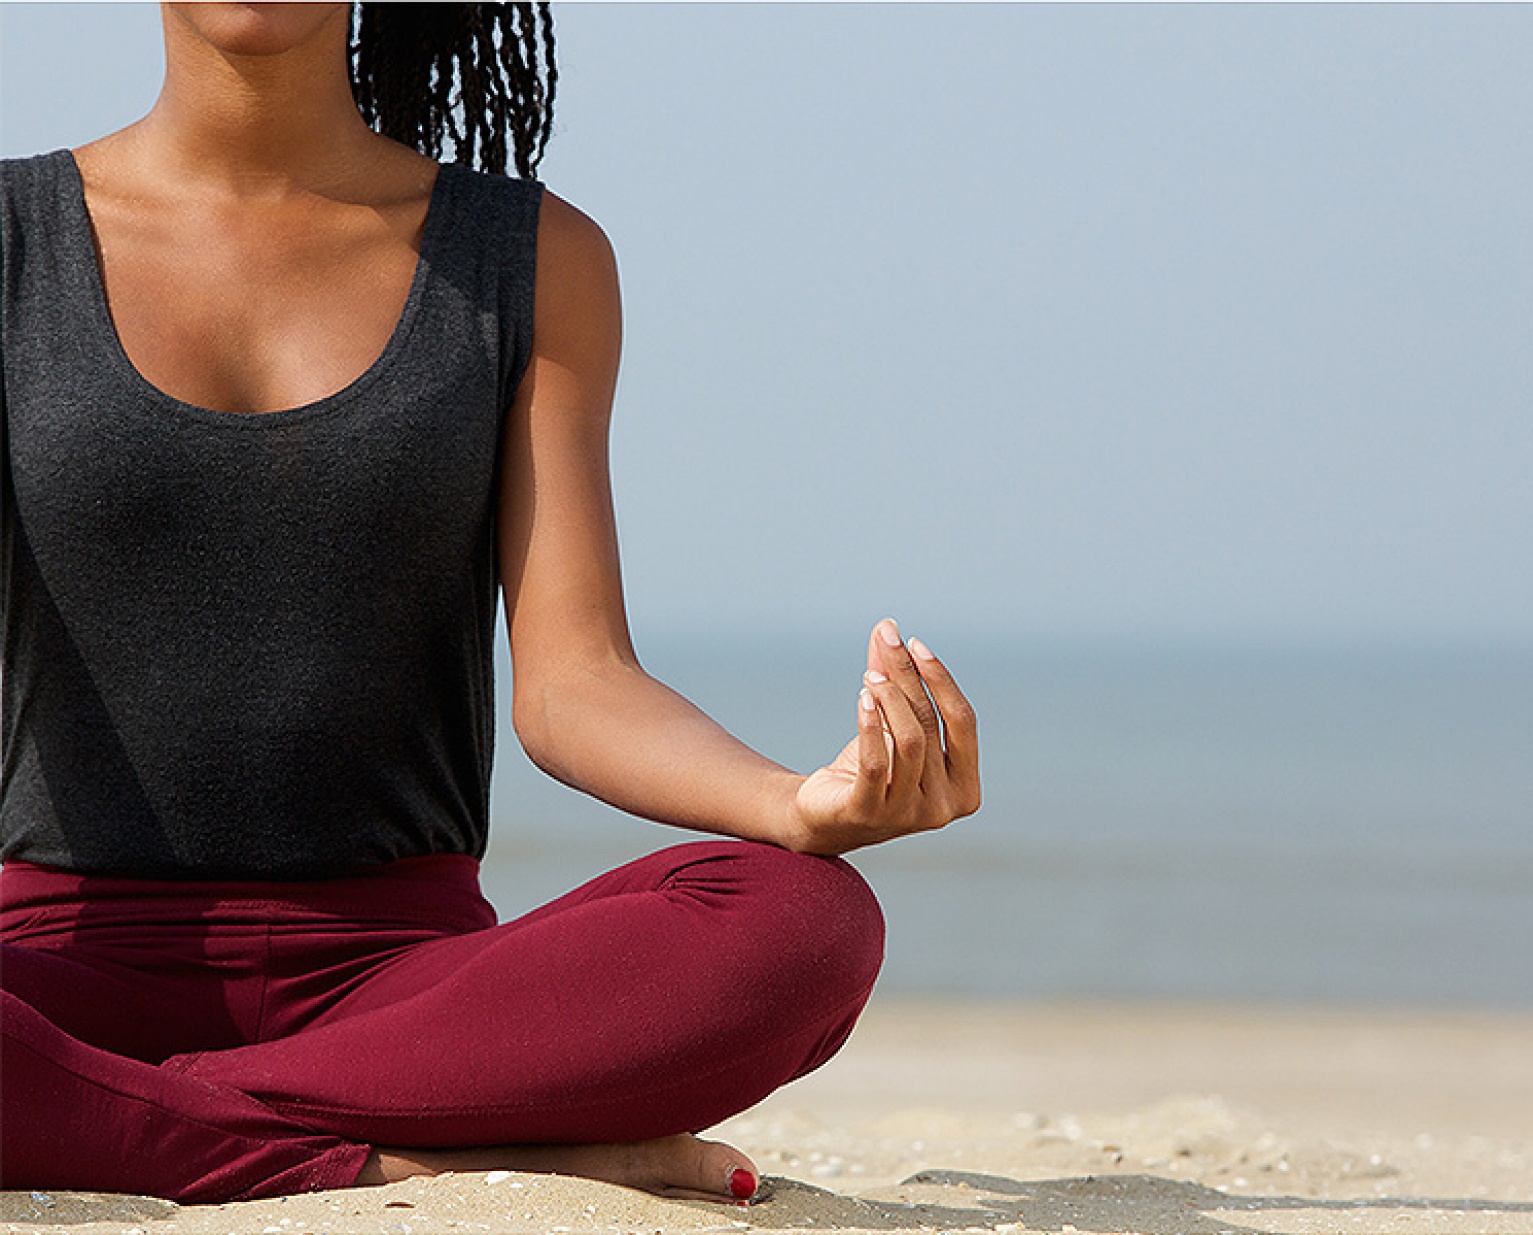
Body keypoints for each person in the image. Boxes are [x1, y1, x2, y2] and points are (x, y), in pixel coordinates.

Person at [0, 2, 979, 1207]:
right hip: (53, 965)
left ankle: (127, 1112)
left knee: (805, 920)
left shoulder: (532, 257)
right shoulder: (10, 239)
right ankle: (356, 1151)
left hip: (398, 989)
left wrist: (793, 799)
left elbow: (573, 683)